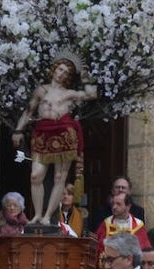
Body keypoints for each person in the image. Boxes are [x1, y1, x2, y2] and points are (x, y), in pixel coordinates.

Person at [10, 57, 98, 223]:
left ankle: (48, 216)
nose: (61, 74)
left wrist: (85, 77)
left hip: (64, 134)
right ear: (54, 70)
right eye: (60, 69)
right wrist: (18, 130)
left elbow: (92, 94)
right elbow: (29, 112)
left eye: (66, 72)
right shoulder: (41, 90)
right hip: (43, 133)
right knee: (35, 176)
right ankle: (37, 214)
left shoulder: (69, 93)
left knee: (59, 177)